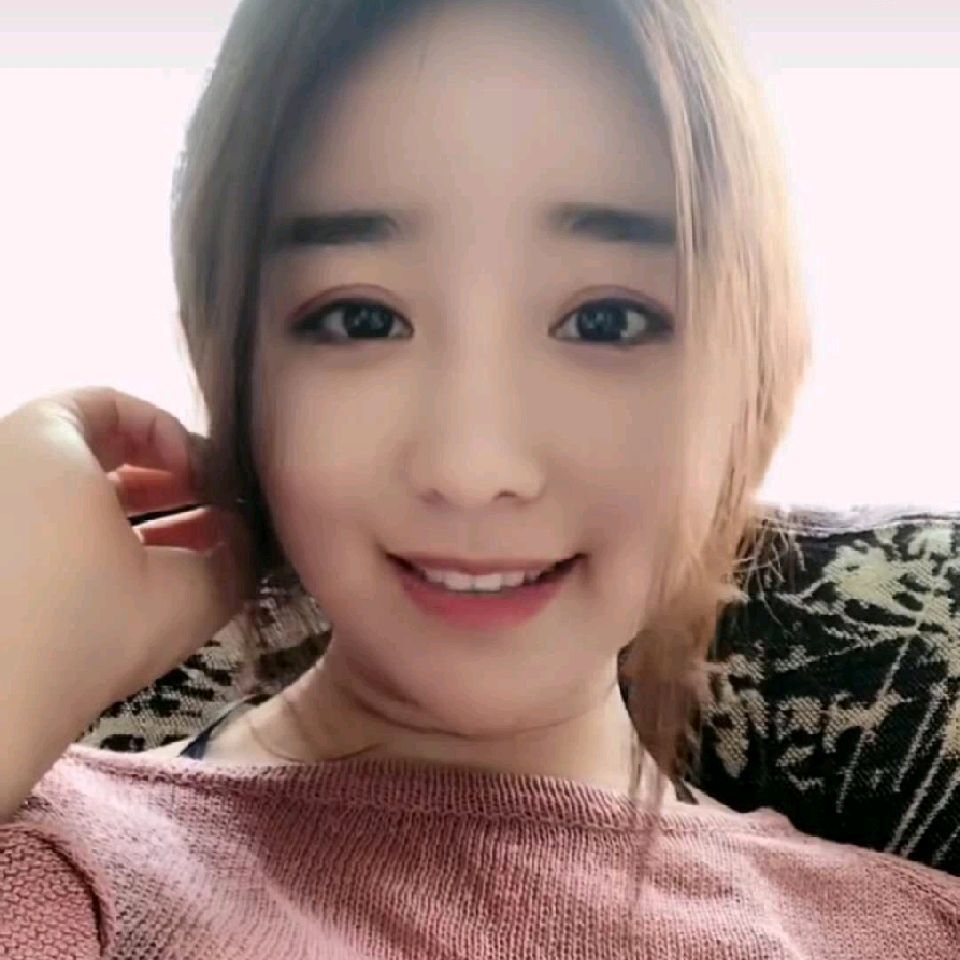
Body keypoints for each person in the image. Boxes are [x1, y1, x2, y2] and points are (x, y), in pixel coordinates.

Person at [1, 0, 957, 957]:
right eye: (361, 319)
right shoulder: (64, 870)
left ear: (758, 380)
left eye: (607, 321)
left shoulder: (906, 931)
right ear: (234, 374)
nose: (473, 469)